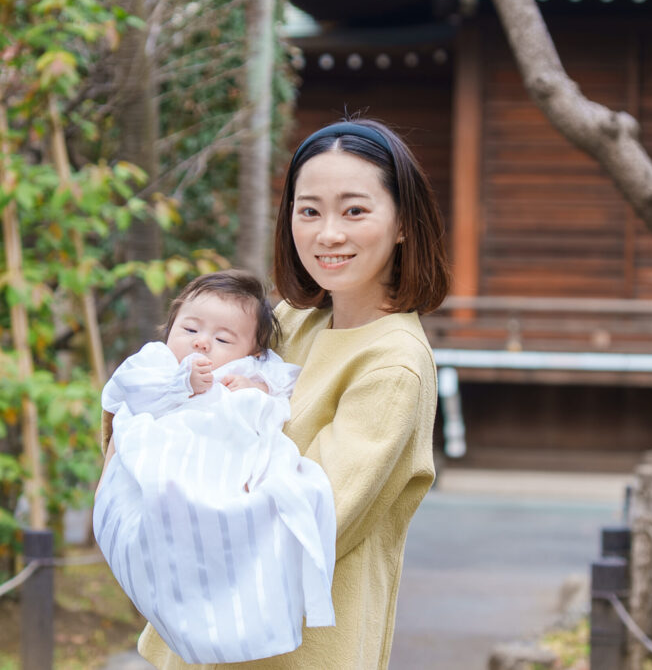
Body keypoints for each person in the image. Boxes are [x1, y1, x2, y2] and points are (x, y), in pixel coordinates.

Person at [136, 117, 450, 669]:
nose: (328, 233)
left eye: (354, 210)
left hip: (296, 653)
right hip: (198, 637)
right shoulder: (292, 320)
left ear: (402, 223)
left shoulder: (393, 366)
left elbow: (307, 525)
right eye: (309, 211)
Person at [94, 270, 337, 665]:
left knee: (234, 532)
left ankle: (235, 624)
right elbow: (126, 394)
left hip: (228, 467)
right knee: (172, 517)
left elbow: (287, 387)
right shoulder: (156, 362)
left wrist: (258, 388)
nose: (201, 342)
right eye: (189, 328)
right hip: (169, 457)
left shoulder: (254, 369)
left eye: (223, 339)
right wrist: (182, 384)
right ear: (169, 328)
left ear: (252, 352)